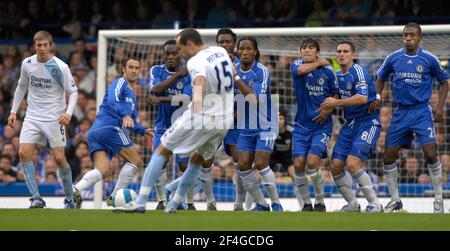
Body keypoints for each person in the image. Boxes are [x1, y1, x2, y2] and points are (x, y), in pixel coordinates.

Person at [117, 28, 234, 213]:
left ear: (189, 44)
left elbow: (200, 81)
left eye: (180, 49)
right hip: (224, 120)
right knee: (196, 160)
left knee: (161, 150)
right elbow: (232, 72)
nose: (180, 53)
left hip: (202, 115)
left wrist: (196, 105)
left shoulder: (196, 61)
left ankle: (140, 201)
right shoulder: (220, 51)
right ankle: (173, 203)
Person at [369, 23, 449, 213]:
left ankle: (439, 200)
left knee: (430, 153)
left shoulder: (429, 59)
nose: (408, 38)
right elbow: (380, 78)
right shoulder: (393, 57)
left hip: (422, 111)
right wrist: (378, 97)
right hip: (400, 112)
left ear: (419, 37)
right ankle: (395, 199)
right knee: (388, 156)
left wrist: (439, 108)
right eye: (405, 35)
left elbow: (445, 83)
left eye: (412, 35)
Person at [7, 30, 78, 208]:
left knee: (60, 158)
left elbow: (73, 91)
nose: (42, 48)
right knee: (23, 153)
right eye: (39, 45)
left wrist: (68, 113)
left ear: (50, 45)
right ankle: (36, 198)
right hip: (32, 116)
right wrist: (13, 111)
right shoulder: (27, 63)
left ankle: (69, 198)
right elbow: (21, 86)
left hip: (55, 118)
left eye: (45, 45)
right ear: (34, 46)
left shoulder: (60, 67)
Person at [72, 57, 153, 209]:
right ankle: (115, 198)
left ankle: (75, 189)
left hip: (96, 132)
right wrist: (124, 115)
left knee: (102, 170)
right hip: (109, 128)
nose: (134, 70)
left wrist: (142, 130)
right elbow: (112, 100)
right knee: (135, 160)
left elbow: (130, 123)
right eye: (131, 67)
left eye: (137, 68)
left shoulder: (133, 97)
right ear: (123, 69)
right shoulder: (119, 83)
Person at [318, 41, 383, 212]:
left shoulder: (358, 71)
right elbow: (330, 93)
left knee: (353, 163)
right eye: (338, 51)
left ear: (353, 55)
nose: (341, 54)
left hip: (368, 123)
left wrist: (335, 102)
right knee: (336, 165)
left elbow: (362, 98)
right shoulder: (337, 75)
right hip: (350, 124)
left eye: (345, 51)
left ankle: (375, 204)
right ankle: (353, 204)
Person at [290, 38, 339, 212]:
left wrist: (329, 109)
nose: (307, 50)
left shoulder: (328, 70)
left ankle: (319, 201)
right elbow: (302, 70)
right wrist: (320, 62)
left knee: (312, 162)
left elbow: (336, 93)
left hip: (322, 125)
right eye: (304, 48)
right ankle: (305, 203)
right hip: (301, 126)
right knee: (298, 164)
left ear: (317, 52)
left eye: (311, 48)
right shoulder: (296, 65)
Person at [235, 36, 282, 212]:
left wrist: (235, 77)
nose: (245, 52)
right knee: (243, 166)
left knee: (261, 163)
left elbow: (255, 99)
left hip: (265, 124)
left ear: (255, 52)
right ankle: (262, 203)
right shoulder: (233, 70)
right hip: (245, 126)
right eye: (241, 49)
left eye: (248, 49)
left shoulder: (262, 71)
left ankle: (276, 203)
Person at [146, 39, 192, 210]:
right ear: (164, 55)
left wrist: (160, 99)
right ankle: (162, 201)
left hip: (184, 126)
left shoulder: (189, 73)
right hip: (162, 126)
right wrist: (177, 76)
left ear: (180, 54)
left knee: (184, 165)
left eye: (174, 53)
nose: (171, 56)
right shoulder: (156, 70)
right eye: (168, 53)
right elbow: (155, 89)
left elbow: (185, 100)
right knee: (159, 162)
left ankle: (188, 202)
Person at [216, 27, 254, 211]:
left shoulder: (244, 64)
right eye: (221, 42)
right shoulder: (212, 65)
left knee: (240, 162)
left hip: (239, 122)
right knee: (201, 158)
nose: (224, 45)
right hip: (215, 119)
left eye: (228, 42)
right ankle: (204, 202)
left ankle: (240, 202)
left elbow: (252, 97)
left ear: (235, 45)